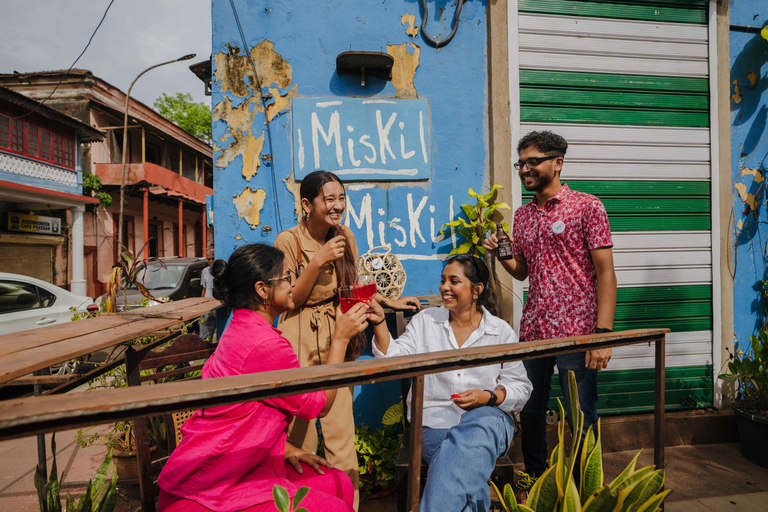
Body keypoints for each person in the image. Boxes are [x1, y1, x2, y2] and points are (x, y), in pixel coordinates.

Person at [158, 243, 371, 512]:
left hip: (230, 463)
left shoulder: (239, 325)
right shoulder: (266, 345)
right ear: (262, 289)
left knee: (338, 482)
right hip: (210, 484)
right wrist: (340, 339)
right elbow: (320, 406)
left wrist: (286, 447)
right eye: (287, 277)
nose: (294, 283)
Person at [273, 170, 421, 508]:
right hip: (298, 335)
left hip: (339, 329)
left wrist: (385, 300)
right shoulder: (289, 241)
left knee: (341, 433)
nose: (338, 205)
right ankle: (305, 505)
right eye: (330, 198)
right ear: (307, 204)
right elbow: (289, 298)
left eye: (341, 197)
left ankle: (346, 505)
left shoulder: (345, 235)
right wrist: (319, 261)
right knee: (302, 432)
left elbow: (352, 286)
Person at [483, 130, 617, 503]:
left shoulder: (587, 206)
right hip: (535, 331)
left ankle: (581, 490)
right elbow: (523, 271)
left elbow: (606, 272)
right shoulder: (523, 217)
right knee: (531, 410)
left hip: (578, 332)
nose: (525, 168)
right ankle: (538, 484)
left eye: (533, 161)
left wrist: (603, 335)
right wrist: (501, 253)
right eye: (521, 162)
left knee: (581, 415)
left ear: (557, 163)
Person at [368, 254, 532, 512]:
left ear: (477, 289)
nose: (444, 287)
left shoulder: (500, 331)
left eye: (454, 281)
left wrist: (487, 398)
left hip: (488, 421)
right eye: (443, 280)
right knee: (462, 471)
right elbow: (394, 359)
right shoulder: (426, 322)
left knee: (459, 455)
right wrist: (378, 322)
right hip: (435, 423)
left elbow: (521, 388)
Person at [199, 244, 216, 340]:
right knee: (205, 335)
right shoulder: (205, 271)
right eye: (208, 259)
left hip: (218, 306)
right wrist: (201, 306)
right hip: (207, 306)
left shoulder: (220, 271)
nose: (210, 261)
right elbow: (204, 289)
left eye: (212, 258)